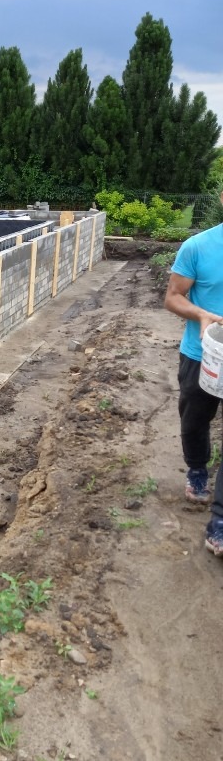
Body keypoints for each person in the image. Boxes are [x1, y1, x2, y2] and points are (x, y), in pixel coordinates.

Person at [165, 225, 223, 555]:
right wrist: (201, 313)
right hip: (203, 353)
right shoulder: (198, 247)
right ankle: (198, 467)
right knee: (194, 421)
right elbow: (173, 296)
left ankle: (220, 517)